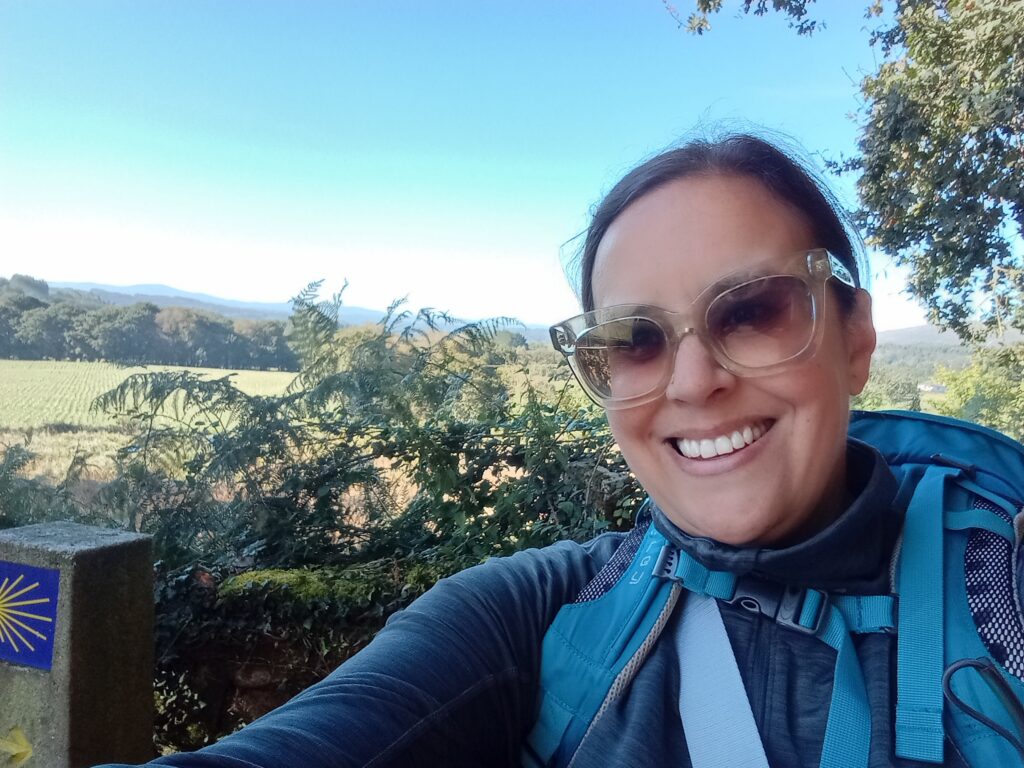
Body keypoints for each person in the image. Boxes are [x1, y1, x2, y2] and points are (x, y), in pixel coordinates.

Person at [97, 133, 1022, 768]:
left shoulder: (1002, 580)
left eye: (751, 311)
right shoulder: (542, 617)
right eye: (634, 339)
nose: (693, 382)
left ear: (855, 335)